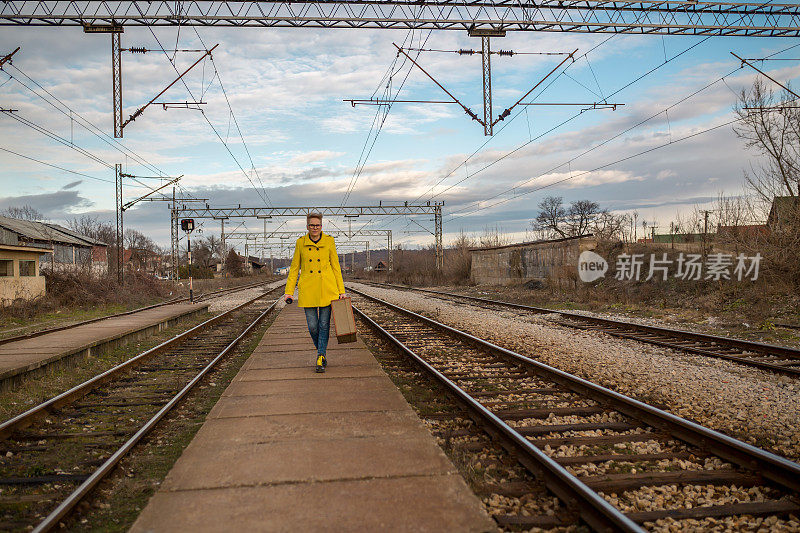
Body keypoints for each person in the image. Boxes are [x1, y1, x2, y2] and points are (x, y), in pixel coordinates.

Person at [284, 212, 346, 373]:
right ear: (307, 227)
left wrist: (341, 291)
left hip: (328, 289)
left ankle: (320, 356)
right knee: (313, 327)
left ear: (321, 226)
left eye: (317, 225)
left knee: (324, 325)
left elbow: (336, 267)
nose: (314, 228)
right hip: (308, 289)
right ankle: (322, 352)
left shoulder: (329, 241)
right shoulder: (300, 243)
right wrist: (289, 291)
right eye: (312, 225)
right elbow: (294, 268)